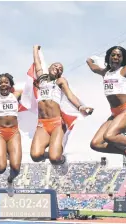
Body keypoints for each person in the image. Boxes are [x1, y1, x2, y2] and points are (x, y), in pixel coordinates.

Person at [31, 45, 94, 176]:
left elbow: (70, 95)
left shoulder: (60, 81)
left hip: (56, 123)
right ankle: (57, 154)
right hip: (42, 123)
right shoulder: (41, 79)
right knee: (35, 156)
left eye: (60, 69)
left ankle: (62, 159)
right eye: (55, 66)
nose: (58, 68)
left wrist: (81, 107)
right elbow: (37, 63)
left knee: (55, 159)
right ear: (48, 68)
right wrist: (35, 49)